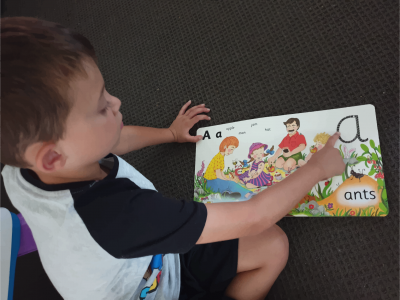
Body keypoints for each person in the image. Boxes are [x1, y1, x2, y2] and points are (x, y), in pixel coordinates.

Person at [0, 17, 345, 300]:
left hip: (147, 259)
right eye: (101, 107)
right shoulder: (119, 217)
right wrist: (317, 168)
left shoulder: (20, 166)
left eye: (106, 92)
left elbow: (111, 141)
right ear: (52, 157)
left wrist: (170, 133)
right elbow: (253, 217)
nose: (117, 102)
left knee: (271, 243)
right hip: (153, 288)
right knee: (270, 240)